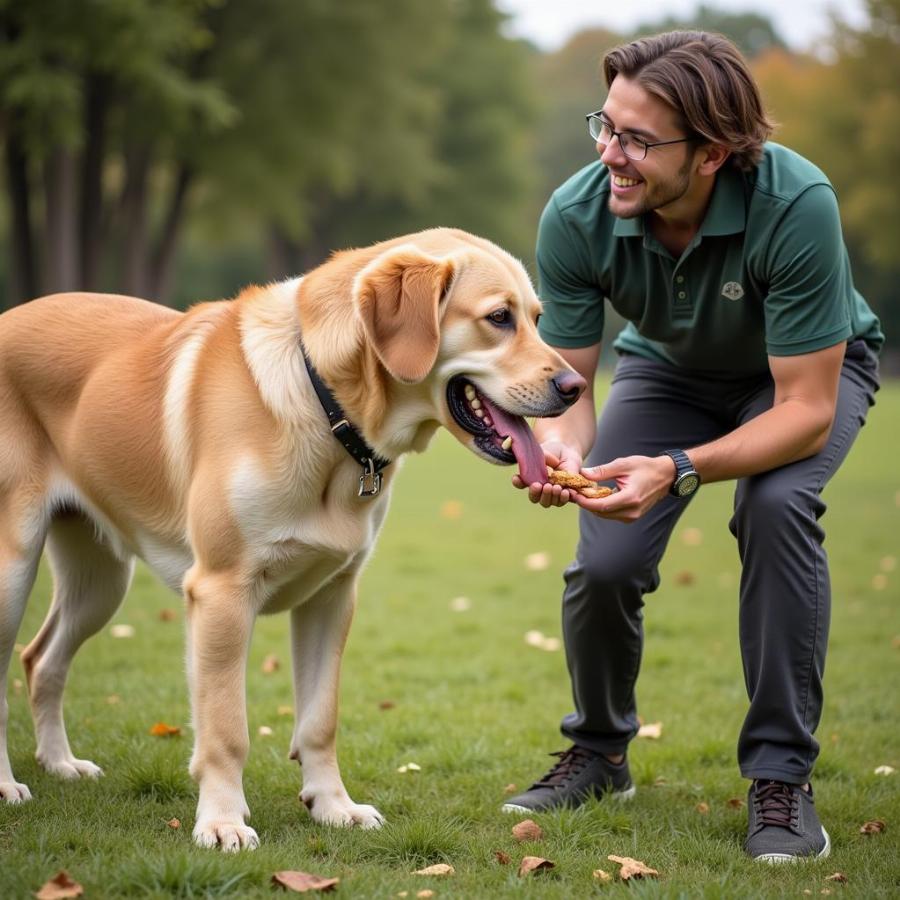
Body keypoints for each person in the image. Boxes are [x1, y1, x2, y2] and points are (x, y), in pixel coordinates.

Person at [503, 30, 882, 863]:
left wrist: (679, 470)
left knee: (778, 506)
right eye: (605, 126)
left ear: (712, 154)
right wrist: (564, 453)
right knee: (604, 558)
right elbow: (566, 386)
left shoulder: (796, 203)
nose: (612, 154)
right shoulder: (576, 213)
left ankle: (781, 779)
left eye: (637, 140)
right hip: (667, 372)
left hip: (798, 383)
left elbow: (807, 411)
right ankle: (599, 753)